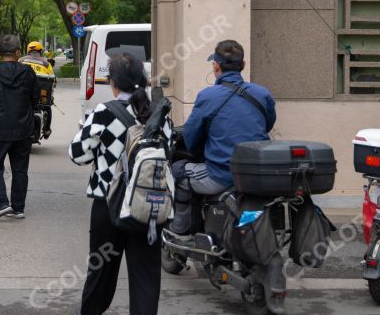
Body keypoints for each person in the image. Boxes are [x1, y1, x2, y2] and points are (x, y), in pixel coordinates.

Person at [69, 53, 173, 315]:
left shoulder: (105, 113)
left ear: (112, 82)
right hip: (148, 205)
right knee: (146, 278)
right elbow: (168, 152)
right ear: (143, 80)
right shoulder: (158, 114)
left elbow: (77, 154)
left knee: (101, 273)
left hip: (109, 205)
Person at [170, 39, 276, 235]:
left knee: (177, 171)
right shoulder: (263, 94)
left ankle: (180, 232)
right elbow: (267, 124)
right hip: (257, 174)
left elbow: (192, 139)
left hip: (221, 175)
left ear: (216, 66)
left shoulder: (207, 96)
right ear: (242, 65)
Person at [0, 35, 40, 219]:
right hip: (23, 129)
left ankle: (2, 203)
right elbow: (35, 98)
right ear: (18, 52)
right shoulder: (28, 72)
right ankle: (18, 208)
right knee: (20, 169)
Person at [19, 41, 54, 139]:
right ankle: (46, 130)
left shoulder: (21, 60)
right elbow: (52, 79)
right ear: (40, 51)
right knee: (47, 106)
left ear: (28, 51)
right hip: (41, 94)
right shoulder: (46, 63)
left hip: (23, 94)